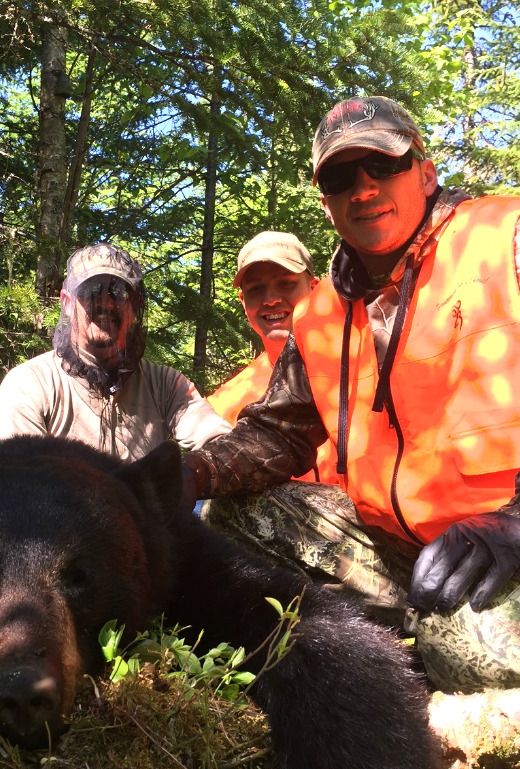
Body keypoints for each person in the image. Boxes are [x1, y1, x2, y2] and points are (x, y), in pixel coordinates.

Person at [181, 96, 520, 695]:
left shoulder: (503, 237)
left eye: (382, 165)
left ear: (425, 171)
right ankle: (378, 639)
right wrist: (187, 474)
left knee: (471, 655)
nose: (363, 189)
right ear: (325, 201)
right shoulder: (320, 314)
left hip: (503, 548)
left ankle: (435, 654)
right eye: (340, 177)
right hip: (397, 550)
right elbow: (278, 434)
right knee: (229, 515)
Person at [0, 242, 231, 459]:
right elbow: (19, 476)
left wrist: (192, 475)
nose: (106, 303)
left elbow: (222, 445)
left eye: (118, 292)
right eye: (92, 291)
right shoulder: (31, 383)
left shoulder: (165, 383)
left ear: (136, 306)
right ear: (67, 302)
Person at [207, 230, 335, 483]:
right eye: (256, 289)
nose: (271, 299)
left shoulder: (362, 366)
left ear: (314, 289)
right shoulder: (223, 406)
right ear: (243, 302)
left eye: (286, 283)